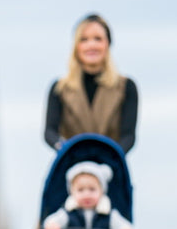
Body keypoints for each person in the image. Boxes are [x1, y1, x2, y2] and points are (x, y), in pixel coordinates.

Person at [42, 13, 138, 153]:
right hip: (71, 163)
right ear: (76, 46)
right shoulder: (60, 89)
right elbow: (50, 132)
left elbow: (128, 136)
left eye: (98, 39)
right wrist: (66, 150)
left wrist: (111, 156)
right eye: (84, 39)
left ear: (108, 43)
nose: (91, 45)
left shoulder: (125, 87)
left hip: (111, 164)